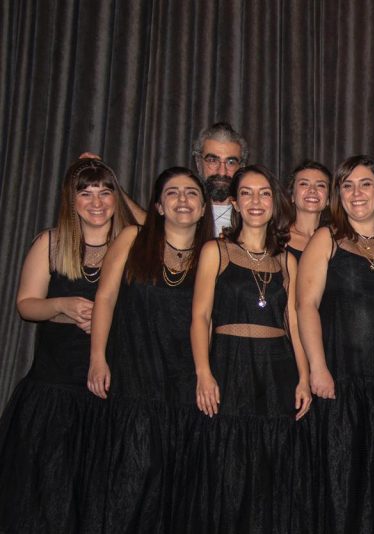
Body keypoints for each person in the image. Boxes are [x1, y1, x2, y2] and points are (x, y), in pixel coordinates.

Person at [0, 158, 135, 532]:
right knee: (43, 498)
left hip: (107, 392)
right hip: (53, 388)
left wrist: (108, 321)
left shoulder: (130, 247)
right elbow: (26, 305)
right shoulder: (52, 242)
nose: (97, 202)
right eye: (86, 193)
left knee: (95, 499)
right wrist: (62, 305)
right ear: (71, 200)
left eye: (105, 192)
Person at [84, 167, 213, 530]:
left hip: (185, 390)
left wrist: (205, 376)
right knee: (127, 483)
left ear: (204, 208)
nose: (182, 200)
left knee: (174, 492)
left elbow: (209, 322)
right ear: (158, 205)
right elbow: (105, 298)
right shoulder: (132, 238)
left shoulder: (213, 255)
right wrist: (97, 357)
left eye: (191, 193)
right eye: (172, 192)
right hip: (133, 380)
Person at [186, 164, 313, 532]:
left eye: (264, 193)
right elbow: (200, 317)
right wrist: (203, 373)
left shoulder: (287, 260)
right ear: (235, 203)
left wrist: (304, 377)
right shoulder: (215, 251)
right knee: (226, 471)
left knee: (272, 474)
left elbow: (294, 323)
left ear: (275, 202)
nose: (256, 201)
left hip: (276, 373)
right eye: (247, 193)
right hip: (228, 367)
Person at [296, 155, 374, 533]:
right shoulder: (327, 239)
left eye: (365, 184)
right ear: (339, 195)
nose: (356, 193)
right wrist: (318, 368)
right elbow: (305, 306)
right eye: (347, 186)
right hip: (342, 382)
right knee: (342, 482)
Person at [191, 122, 249, 236]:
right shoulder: (184, 212)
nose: (222, 171)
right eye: (213, 160)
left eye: (230, 162)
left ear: (242, 167)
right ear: (198, 163)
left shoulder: (252, 215)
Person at [284, 159, 331, 260]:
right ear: (292, 195)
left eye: (320, 185)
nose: (312, 190)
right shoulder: (276, 240)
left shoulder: (339, 241)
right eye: (304, 184)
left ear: (328, 199)